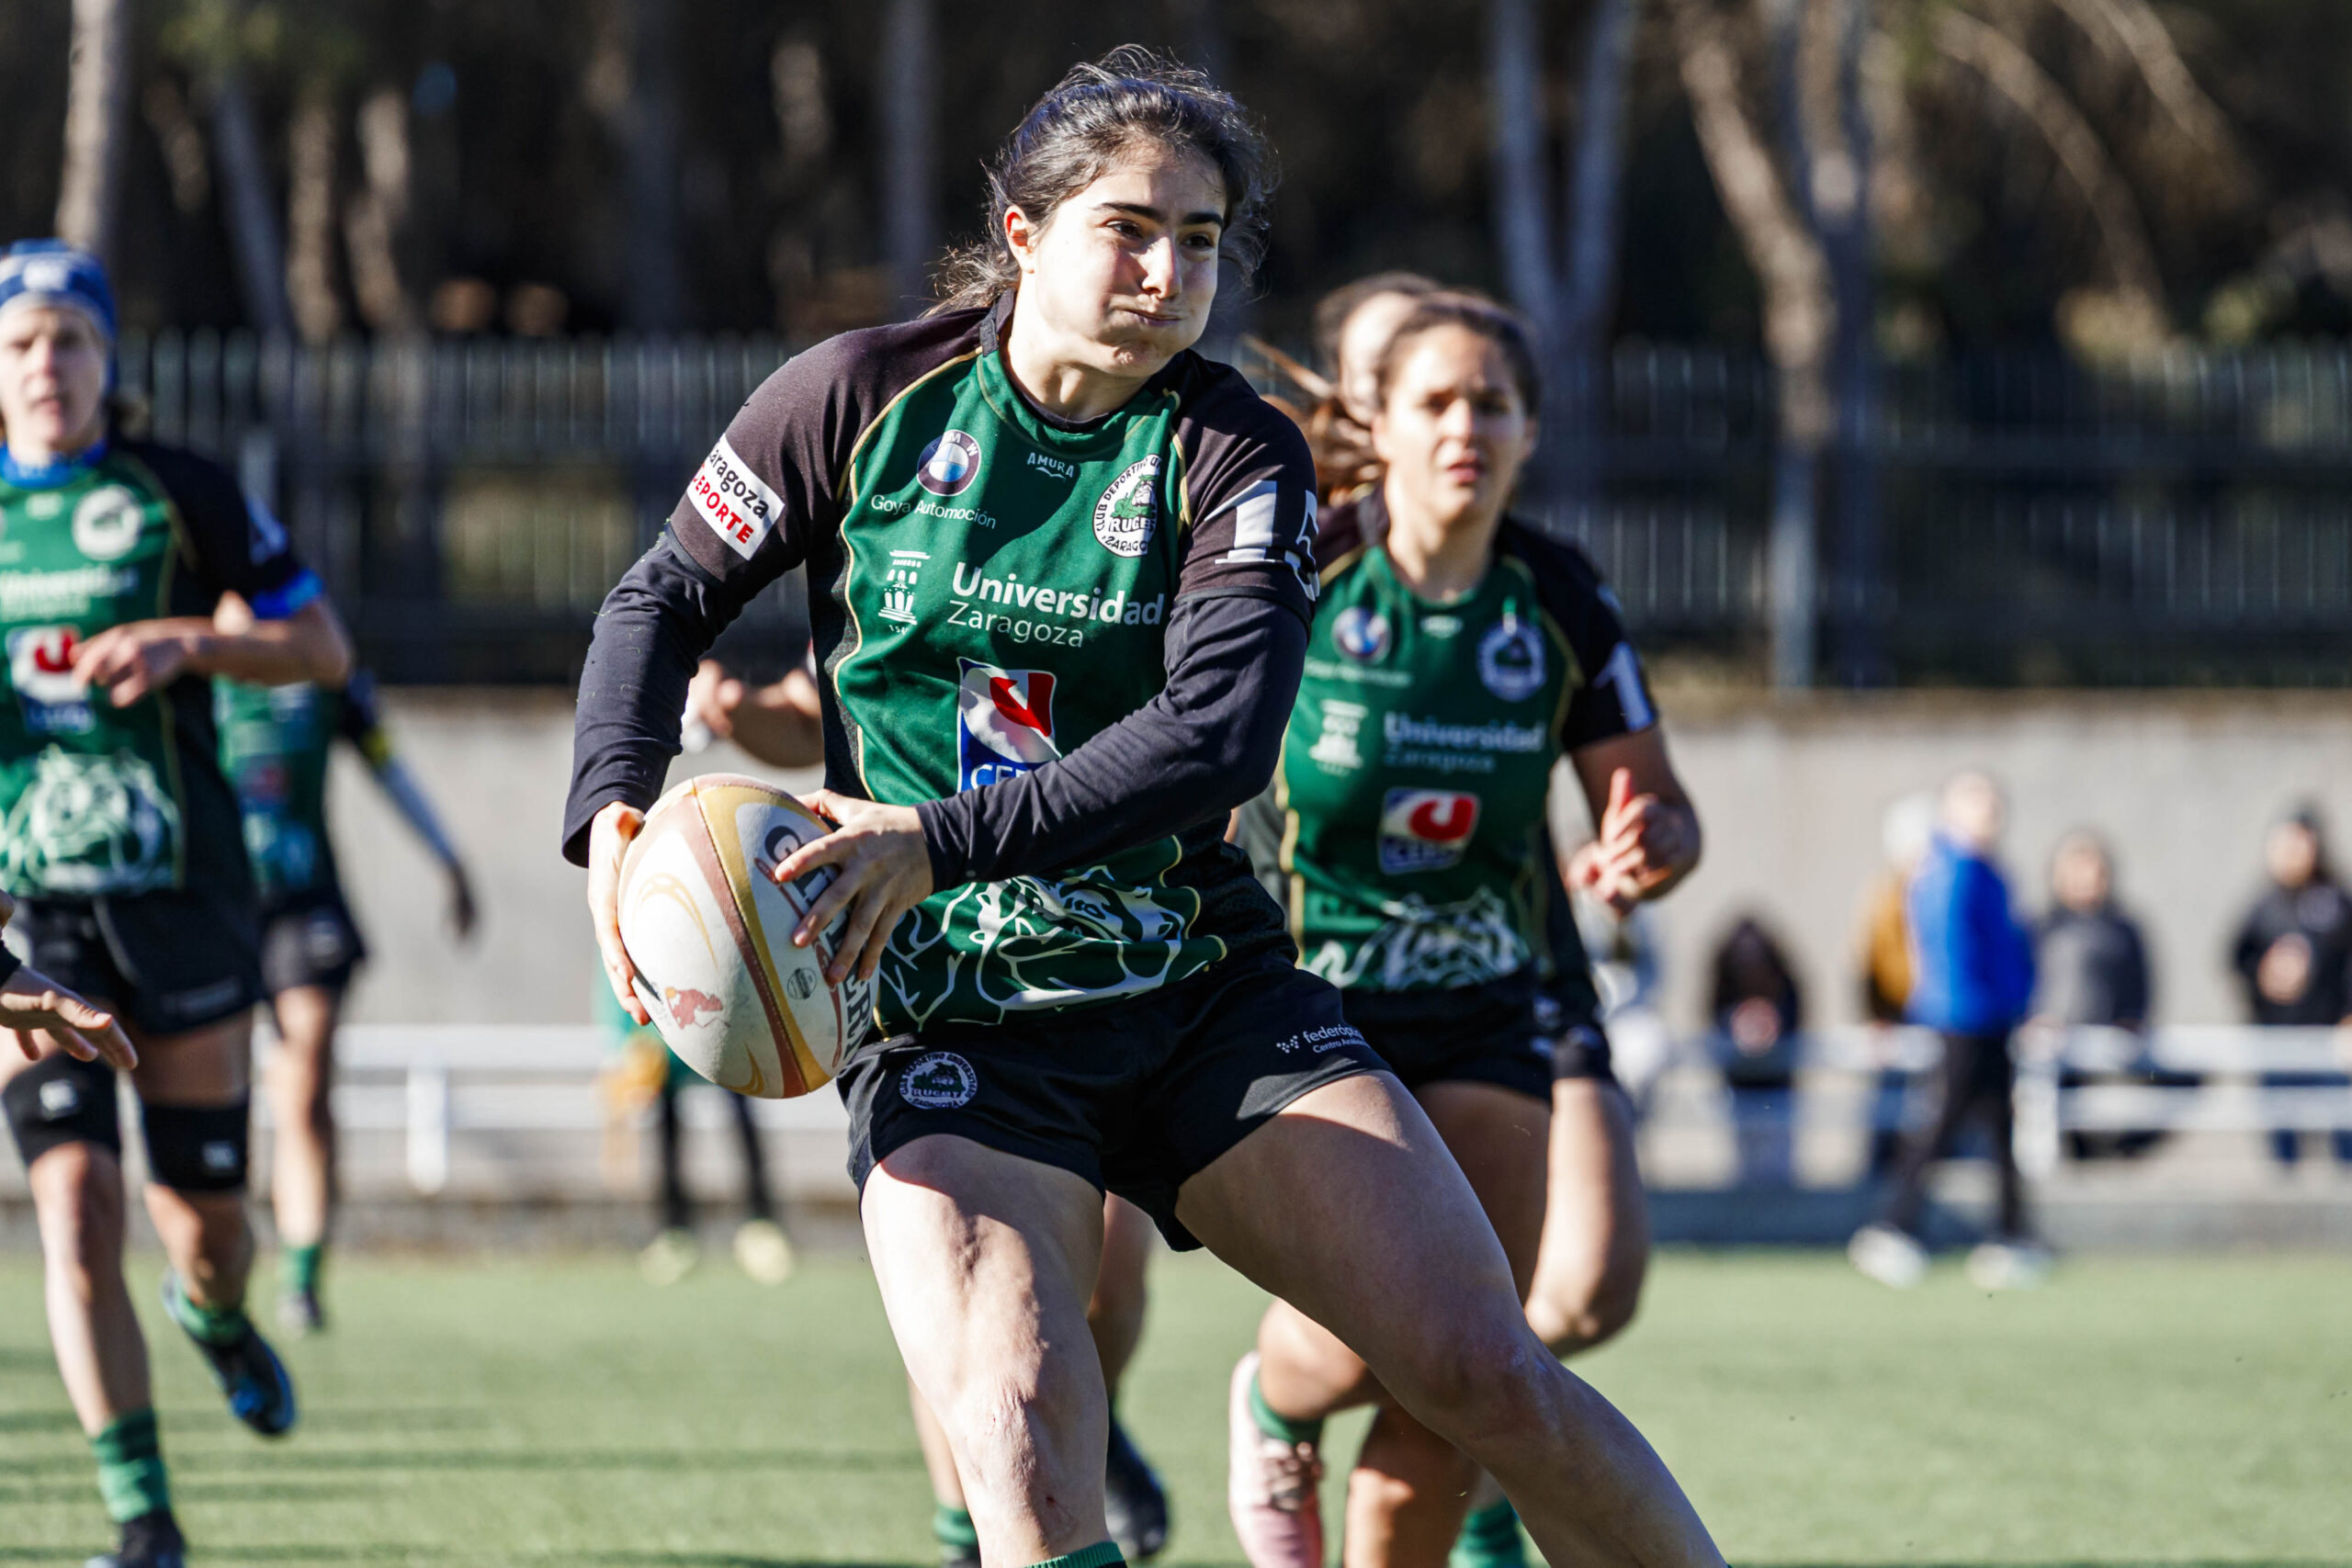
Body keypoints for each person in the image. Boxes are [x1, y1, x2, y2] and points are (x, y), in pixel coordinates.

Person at [566, 51, 1723, 1568]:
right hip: (947, 1015)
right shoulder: (855, 396)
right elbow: (662, 596)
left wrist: (934, 841)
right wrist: (615, 820)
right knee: (1026, 1427)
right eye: (1130, 227)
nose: (1169, 268)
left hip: (1200, 990)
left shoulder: (1234, 449)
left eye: (1200, 240)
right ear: (1024, 230)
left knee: (1486, 1365)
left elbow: (1219, 737)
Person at [1227, 291, 1700, 1568]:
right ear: (1377, 421)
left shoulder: (1557, 596)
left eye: (1493, 402)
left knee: (1477, 1358)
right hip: (1318, 1011)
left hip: (1491, 1005)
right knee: (1361, 1336)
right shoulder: (1299, 568)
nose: (1465, 427)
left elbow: (1658, 804)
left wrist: (1651, 840)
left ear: (1532, 428)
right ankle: (1271, 1402)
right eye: (1436, 401)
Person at [0, 240, 352, 1568]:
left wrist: (190, 639)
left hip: (189, 895)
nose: (49, 366)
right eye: (23, 344)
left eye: (71, 340)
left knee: (202, 1226)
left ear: (109, 362)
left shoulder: (180, 491)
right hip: (32, 918)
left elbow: (322, 648)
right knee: (75, 1204)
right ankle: (142, 1517)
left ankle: (216, 1316)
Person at [683, 656, 1171, 1559]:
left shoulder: (1129, 566)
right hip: (942, 982)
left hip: (1100, 973)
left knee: (1116, 1272)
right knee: (957, 1258)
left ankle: (1093, 1436)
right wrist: (743, 711)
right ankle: (965, 1528)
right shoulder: (922, 550)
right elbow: (811, 711)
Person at [210, 625, 476, 1332]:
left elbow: (387, 763)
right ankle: (216, 1264)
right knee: (219, 1097)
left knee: (302, 1085)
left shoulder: (320, 666)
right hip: (216, 908)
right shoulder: (189, 661)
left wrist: (448, 856)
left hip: (305, 906)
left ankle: (301, 1274)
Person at [1849, 771, 2042, 1292]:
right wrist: (1996, 1002)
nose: (1992, 815)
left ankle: (2012, 1234)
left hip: (1990, 1018)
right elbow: (1958, 953)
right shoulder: (1951, 872)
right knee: (1942, 1126)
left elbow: (2010, 946)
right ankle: (1892, 1227)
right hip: (1966, 1020)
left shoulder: (1983, 870)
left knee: (2000, 1130)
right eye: (1980, 805)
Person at [595, 977, 795, 1287]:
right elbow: (615, 968)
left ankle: (762, 1225)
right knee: (667, 1126)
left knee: (741, 1113)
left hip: (727, 1023)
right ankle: (674, 1232)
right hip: (661, 1032)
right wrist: (625, 1039)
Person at [2031, 830, 2165, 1161]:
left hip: (2112, 1042)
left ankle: (2117, 1151)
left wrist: (2133, 1017)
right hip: (2056, 1045)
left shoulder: (2123, 928)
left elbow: (2141, 981)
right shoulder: (2042, 928)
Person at [2229, 806, 2352, 1166]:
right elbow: (2238, 958)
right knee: (2282, 1138)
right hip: (2276, 1035)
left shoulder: (2336, 902)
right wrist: (2264, 974)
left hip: (2329, 1040)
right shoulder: (2263, 905)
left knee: (2343, 1130)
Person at [1856, 793, 1937, 1176]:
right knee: (1889, 1102)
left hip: (1944, 1017)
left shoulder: (1948, 894)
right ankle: (1877, 1172)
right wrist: (1878, 1016)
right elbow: (1867, 964)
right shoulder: (1884, 898)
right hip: (1899, 1014)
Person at [1708, 915, 1802, 1188]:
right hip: (1740, 1084)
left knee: (1778, 1153)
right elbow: (1713, 1023)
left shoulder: (1786, 987)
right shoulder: (1724, 988)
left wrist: (1775, 1029)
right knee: (1746, 1151)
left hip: (1778, 1084)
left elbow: (1796, 1021)